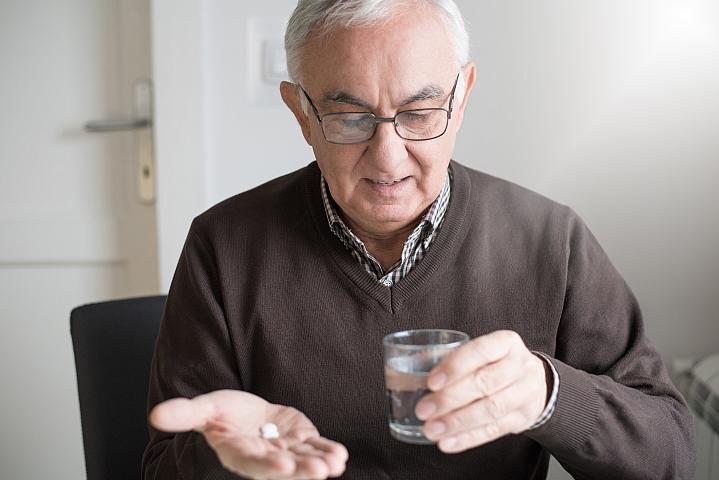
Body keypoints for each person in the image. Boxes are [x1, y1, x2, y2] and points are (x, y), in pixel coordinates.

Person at [142, 1, 695, 479]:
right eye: (351, 116)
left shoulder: (552, 241)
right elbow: (160, 471)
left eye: (419, 112)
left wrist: (548, 396)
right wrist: (225, 463)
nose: (388, 157)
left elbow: (670, 457)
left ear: (462, 97)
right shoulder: (224, 246)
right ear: (301, 113)